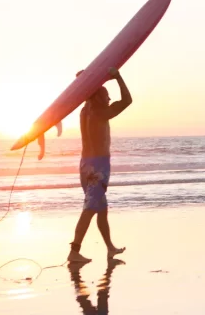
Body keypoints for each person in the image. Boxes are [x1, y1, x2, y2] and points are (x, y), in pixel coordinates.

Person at [67, 68, 131, 264]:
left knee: (101, 209)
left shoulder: (85, 110)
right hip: (97, 167)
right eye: (106, 96)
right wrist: (118, 77)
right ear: (98, 97)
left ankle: (110, 248)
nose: (110, 99)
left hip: (85, 165)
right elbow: (127, 101)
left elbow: (87, 92)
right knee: (89, 209)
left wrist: (88, 80)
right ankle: (74, 251)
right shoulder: (100, 113)